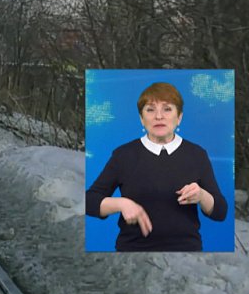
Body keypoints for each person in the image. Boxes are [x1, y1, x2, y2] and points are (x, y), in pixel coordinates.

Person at [85, 82, 228, 252]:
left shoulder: (197, 155)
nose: (158, 116)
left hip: (186, 255)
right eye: (150, 109)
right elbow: (90, 201)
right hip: (133, 254)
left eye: (167, 109)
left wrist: (202, 195)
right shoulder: (124, 155)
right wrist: (121, 204)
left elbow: (220, 212)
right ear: (141, 118)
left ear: (179, 117)